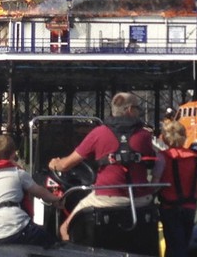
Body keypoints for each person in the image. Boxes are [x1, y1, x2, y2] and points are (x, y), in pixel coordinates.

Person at [49, 92, 156, 242]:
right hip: (140, 199)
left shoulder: (99, 133)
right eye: (138, 108)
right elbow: (152, 162)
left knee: (65, 228)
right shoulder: (145, 136)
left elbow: (66, 165)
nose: (140, 112)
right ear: (131, 110)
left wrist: (55, 164)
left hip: (107, 198)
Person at [0, 134, 61, 246]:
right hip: (19, 229)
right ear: (13, 154)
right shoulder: (18, 173)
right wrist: (56, 199)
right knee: (53, 242)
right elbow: (41, 192)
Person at [154, 118, 197, 257]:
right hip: (190, 207)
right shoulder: (194, 158)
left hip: (169, 208)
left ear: (164, 138)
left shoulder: (162, 157)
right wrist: (192, 199)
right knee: (184, 242)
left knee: (173, 245)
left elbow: (156, 183)